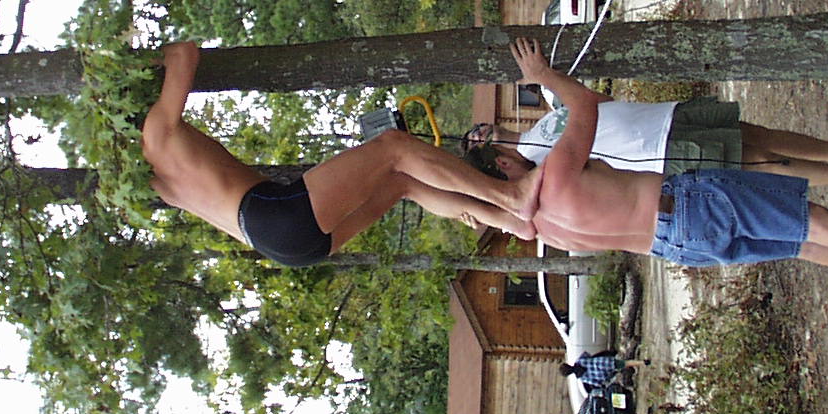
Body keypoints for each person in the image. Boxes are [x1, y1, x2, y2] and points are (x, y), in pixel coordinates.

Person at [497, 38, 828, 272]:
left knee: (802, 243)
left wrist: (472, 203)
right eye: (492, 147)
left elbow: (492, 209)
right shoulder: (553, 177)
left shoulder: (539, 226)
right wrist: (543, 75)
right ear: (501, 166)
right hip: (684, 202)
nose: (496, 141)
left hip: (677, 241)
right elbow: (584, 105)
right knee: (812, 222)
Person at [140, 41, 539, 267]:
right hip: (275, 214)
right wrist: (143, 58)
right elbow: (184, 53)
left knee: (402, 185)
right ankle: (509, 197)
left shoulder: (157, 182)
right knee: (393, 148)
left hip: (280, 248)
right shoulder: (155, 131)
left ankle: (505, 221)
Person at [463, 83, 828, 190]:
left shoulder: (538, 127)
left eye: (479, 131)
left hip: (662, 119)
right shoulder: (539, 169)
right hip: (660, 152)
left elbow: (595, 102)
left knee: (759, 135)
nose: (484, 135)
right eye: (479, 143)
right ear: (498, 162)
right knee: (761, 163)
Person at [560, 350, 651, 391]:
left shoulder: (582, 378)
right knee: (625, 363)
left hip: (605, 375)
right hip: (604, 362)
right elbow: (588, 354)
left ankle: (629, 380)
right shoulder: (579, 361)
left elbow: (596, 383)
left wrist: (602, 384)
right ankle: (642, 362)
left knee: (618, 373)